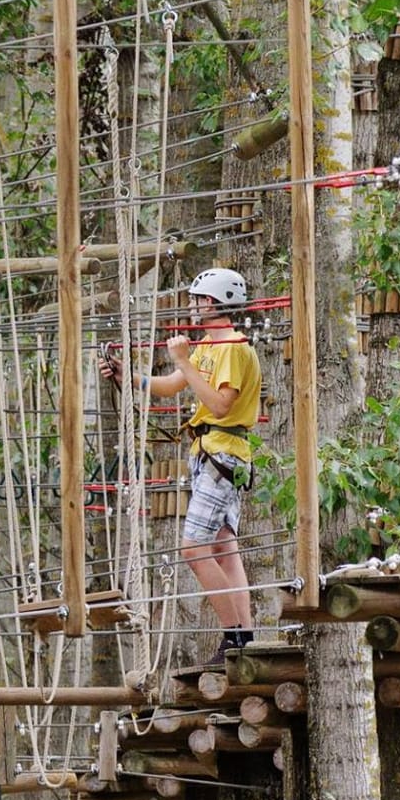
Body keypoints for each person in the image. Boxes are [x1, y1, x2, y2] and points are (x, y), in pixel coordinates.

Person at [103, 267, 262, 665]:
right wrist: (129, 376)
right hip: (212, 453)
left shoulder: (233, 347)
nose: (191, 308)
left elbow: (221, 404)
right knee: (224, 549)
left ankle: (233, 636)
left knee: (194, 548)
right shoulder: (210, 345)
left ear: (210, 303)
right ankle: (244, 637)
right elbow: (175, 384)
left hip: (223, 454)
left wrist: (183, 359)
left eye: (195, 301)